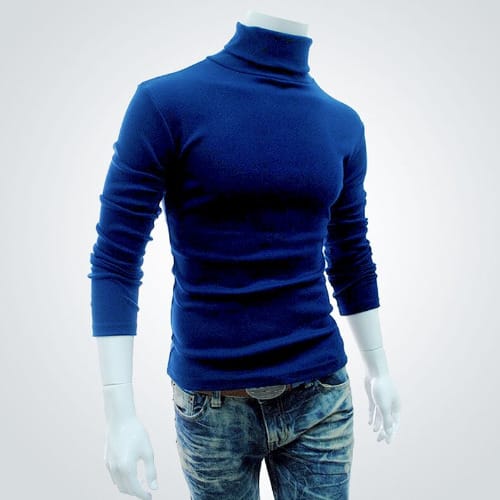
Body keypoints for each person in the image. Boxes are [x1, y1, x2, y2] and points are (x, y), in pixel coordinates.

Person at [88, 9, 401, 500]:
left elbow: (351, 255)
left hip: (320, 395)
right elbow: (116, 257)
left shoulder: (342, 123)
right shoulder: (165, 104)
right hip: (212, 406)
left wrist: (379, 368)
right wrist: (118, 413)